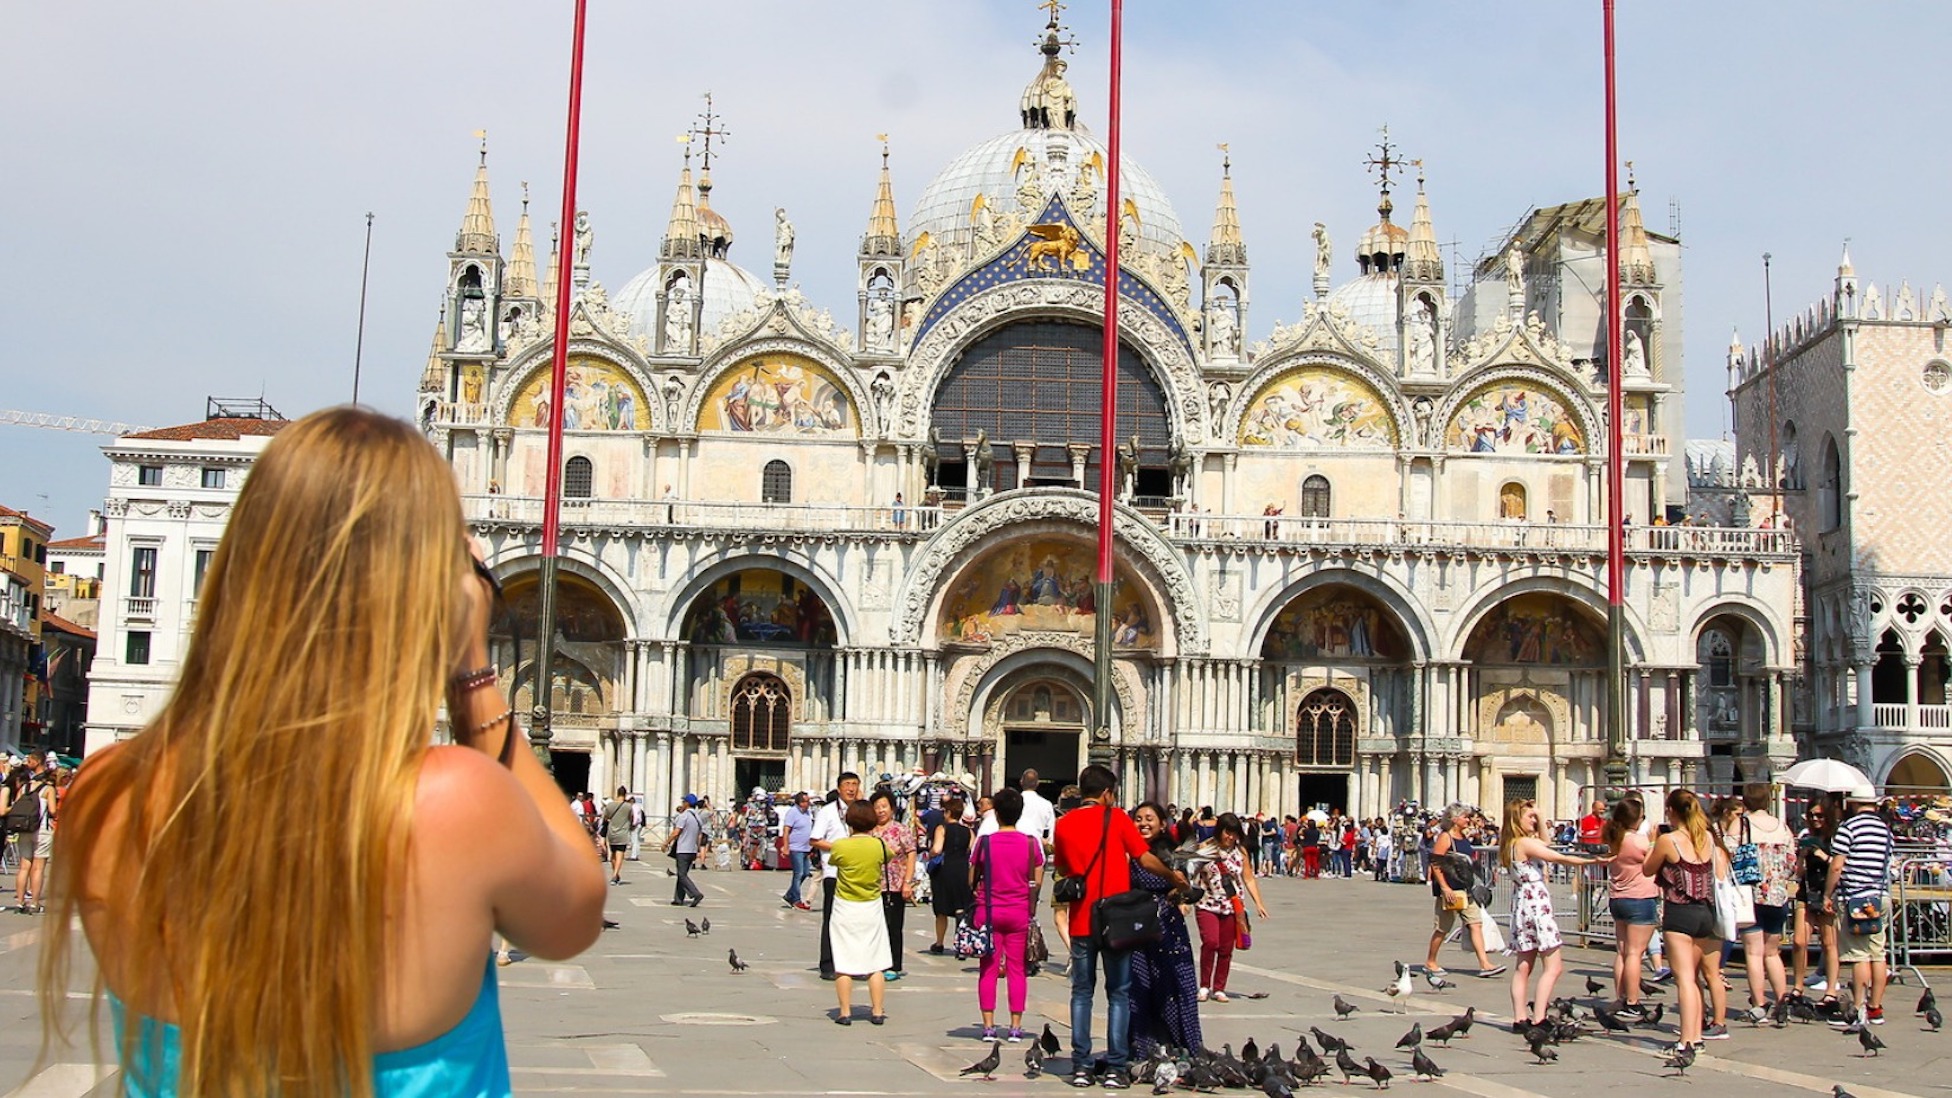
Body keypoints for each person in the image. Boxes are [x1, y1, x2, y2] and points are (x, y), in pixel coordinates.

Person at [38, 406, 606, 1095]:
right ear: (418, 589)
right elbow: (574, 917)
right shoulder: (454, 802)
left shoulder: (106, 793)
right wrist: (471, 670)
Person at [1052, 764, 1186, 1089]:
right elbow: (1144, 857)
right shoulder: (1118, 820)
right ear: (1108, 793)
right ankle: (1115, 1067)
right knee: (1119, 994)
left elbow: (1066, 868)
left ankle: (1082, 1066)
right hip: (1116, 923)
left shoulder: (1063, 825)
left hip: (1082, 920)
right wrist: (1171, 876)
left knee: (1082, 993)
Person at [1499, 799, 1606, 1030]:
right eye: (1530, 818)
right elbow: (1557, 856)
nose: (1535, 821)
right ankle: (1539, 1017)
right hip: (1537, 905)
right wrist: (1591, 860)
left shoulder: (1510, 843)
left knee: (1523, 966)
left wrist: (1539, 814)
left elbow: (1545, 842)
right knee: (1553, 966)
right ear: (1517, 819)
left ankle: (1520, 1018)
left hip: (1522, 904)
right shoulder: (1525, 843)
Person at [1642, 789, 1729, 1050]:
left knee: (1686, 980)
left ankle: (1687, 1039)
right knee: (1705, 975)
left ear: (1671, 811)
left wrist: (1650, 843)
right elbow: (1721, 872)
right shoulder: (1709, 839)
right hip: (1707, 912)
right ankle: (1698, 1037)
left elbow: (1648, 869)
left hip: (1680, 912)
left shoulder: (1670, 840)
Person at [1125, 802, 1201, 1058]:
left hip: (1167, 925)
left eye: (1149, 818)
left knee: (1172, 983)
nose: (1143, 823)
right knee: (1139, 984)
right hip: (1136, 926)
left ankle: (1177, 1044)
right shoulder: (1127, 852)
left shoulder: (1172, 852)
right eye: (1138, 818)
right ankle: (1142, 1047)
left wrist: (1178, 892)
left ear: (1162, 824)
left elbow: (1184, 886)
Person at [971, 787, 1045, 1041]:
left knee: (988, 970)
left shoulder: (985, 842)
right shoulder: (1030, 843)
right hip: (1018, 911)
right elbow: (1037, 879)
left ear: (996, 814)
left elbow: (972, 877)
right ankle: (1015, 1026)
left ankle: (989, 1026)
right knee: (1017, 969)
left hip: (988, 912)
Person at [1825, 785, 1895, 1031]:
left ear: (1853, 804)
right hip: (1881, 896)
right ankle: (1876, 1007)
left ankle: (1859, 1008)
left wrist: (1827, 893)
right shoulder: (1886, 831)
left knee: (1859, 955)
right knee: (1878, 953)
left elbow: (1836, 866)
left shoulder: (1848, 828)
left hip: (1855, 898)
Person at [1730, 786, 1795, 1022]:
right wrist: (1778, 878)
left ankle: (1759, 1005)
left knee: (1753, 953)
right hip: (1777, 895)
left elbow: (1728, 854)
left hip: (1751, 894)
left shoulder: (1741, 825)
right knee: (1772, 953)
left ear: (1745, 801)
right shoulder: (1781, 826)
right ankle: (1781, 1002)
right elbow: (1791, 861)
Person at [826, 801, 891, 1026]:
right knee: (876, 961)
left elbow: (834, 861)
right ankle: (878, 1010)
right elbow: (889, 856)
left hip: (845, 906)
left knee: (844, 961)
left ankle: (845, 1012)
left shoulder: (840, 846)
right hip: (871, 906)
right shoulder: (879, 846)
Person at [1193, 813, 1268, 1004]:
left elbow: (1248, 878)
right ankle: (1204, 985)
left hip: (1231, 905)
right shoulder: (1205, 848)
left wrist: (1258, 903)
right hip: (1207, 903)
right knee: (1211, 942)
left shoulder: (1240, 852)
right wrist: (1184, 899)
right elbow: (1190, 873)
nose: (1231, 837)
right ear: (1220, 830)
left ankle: (1219, 988)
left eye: (1235, 834)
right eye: (1228, 833)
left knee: (1226, 948)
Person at [1424, 804, 1505, 979]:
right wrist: (1445, 888)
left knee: (1475, 924)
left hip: (1466, 890)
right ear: (1454, 819)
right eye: (1465, 817)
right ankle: (1430, 961)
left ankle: (1485, 964)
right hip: (1450, 890)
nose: (1468, 820)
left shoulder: (1463, 836)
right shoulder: (1446, 838)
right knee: (1442, 929)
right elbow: (1436, 863)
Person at [1603, 795, 1658, 1019]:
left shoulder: (1614, 838)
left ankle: (1621, 996)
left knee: (1623, 952)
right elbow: (1653, 861)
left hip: (1618, 898)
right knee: (1635, 953)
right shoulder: (1638, 841)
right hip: (1640, 898)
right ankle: (1633, 1001)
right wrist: (1654, 840)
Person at [811, 772, 863, 980]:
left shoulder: (862, 811)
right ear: (839, 788)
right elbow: (815, 839)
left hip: (858, 874)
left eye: (855, 784)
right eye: (847, 784)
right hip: (834, 872)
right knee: (832, 919)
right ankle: (828, 963)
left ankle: (855, 965)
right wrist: (841, 848)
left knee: (856, 921)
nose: (851, 788)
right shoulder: (827, 812)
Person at [1793, 798, 1840, 1002]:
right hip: (1807, 891)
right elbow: (1798, 872)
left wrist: (1824, 856)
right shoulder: (1807, 836)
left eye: (1819, 815)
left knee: (1828, 943)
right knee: (1798, 941)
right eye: (1811, 815)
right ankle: (1797, 986)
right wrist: (1802, 856)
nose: (1815, 819)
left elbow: (1840, 866)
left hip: (1827, 892)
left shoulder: (1836, 838)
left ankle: (1831, 990)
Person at [869, 789, 916, 981]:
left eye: (884, 806)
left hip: (895, 884)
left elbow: (911, 853)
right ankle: (874, 964)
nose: (880, 811)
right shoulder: (869, 830)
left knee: (894, 925)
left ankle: (894, 965)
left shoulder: (901, 829)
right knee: (873, 927)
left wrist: (908, 882)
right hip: (872, 885)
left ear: (892, 808)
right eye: (877, 807)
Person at [8, 752, 53, 913]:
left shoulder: (24, 788)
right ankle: (34, 903)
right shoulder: (48, 789)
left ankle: (20, 902)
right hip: (41, 830)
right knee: (38, 868)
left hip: (24, 828)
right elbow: (53, 811)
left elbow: (16, 807)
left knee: (24, 867)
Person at [927, 796, 973, 954]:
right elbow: (971, 849)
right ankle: (961, 941)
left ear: (948, 812)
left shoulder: (942, 828)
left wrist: (930, 853)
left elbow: (937, 849)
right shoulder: (968, 831)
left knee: (941, 909)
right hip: (962, 869)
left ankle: (939, 943)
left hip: (945, 870)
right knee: (960, 907)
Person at [662, 794, 706, 907]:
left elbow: (676, 832)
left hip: (683, 849)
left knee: (681, 875)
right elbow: (699, 835)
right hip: (692, 850)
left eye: (683, 802)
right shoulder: (697, 817)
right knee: (683, 874)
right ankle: (678, 898)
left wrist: (666, 843)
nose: (682, 804)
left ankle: (696, 894)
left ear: (687, 803)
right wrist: (697, 848)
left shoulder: (684, 816)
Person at [780, 790, 816, 910]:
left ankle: (789, 894)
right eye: (805, 801)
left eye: (808, 801)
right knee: (798, 873)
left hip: (806, 848)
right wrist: (786, 847)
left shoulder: (808, 813)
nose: (808, 803)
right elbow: (786, 830)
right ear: (799, 803)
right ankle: (796, 899)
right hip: (796, 848)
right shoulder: (792, 813)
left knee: (806, 873)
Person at [602, 786, 633, 885]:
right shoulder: (628, 806)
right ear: (625, 794)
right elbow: (631, 818)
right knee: (620, 855)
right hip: (623, 833)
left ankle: (616, 873)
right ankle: (615, 875)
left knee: (613, 856)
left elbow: (605, 817)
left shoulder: (610, 805)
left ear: (617, 793)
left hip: (612, 833)